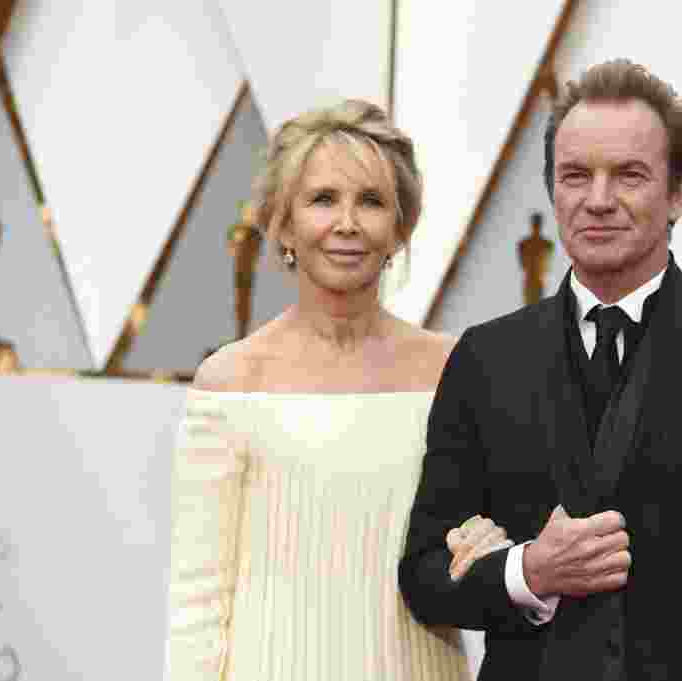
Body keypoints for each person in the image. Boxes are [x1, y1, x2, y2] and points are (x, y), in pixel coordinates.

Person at [399, 59, 682, 680]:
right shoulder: (484, 359)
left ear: (678, 193)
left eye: (629, 174)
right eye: (576, 175)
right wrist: (530, 572)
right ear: (553, 190)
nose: (598, 201)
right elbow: (424, 577)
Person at [167, 99, 510, 680]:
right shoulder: (230, 381)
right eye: (323, 199)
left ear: (400, 228)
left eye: (371, 201)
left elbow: (492, 541)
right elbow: (198, 602)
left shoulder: (457, 369)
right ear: (282, 223)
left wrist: (488, 549)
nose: (347, 223)